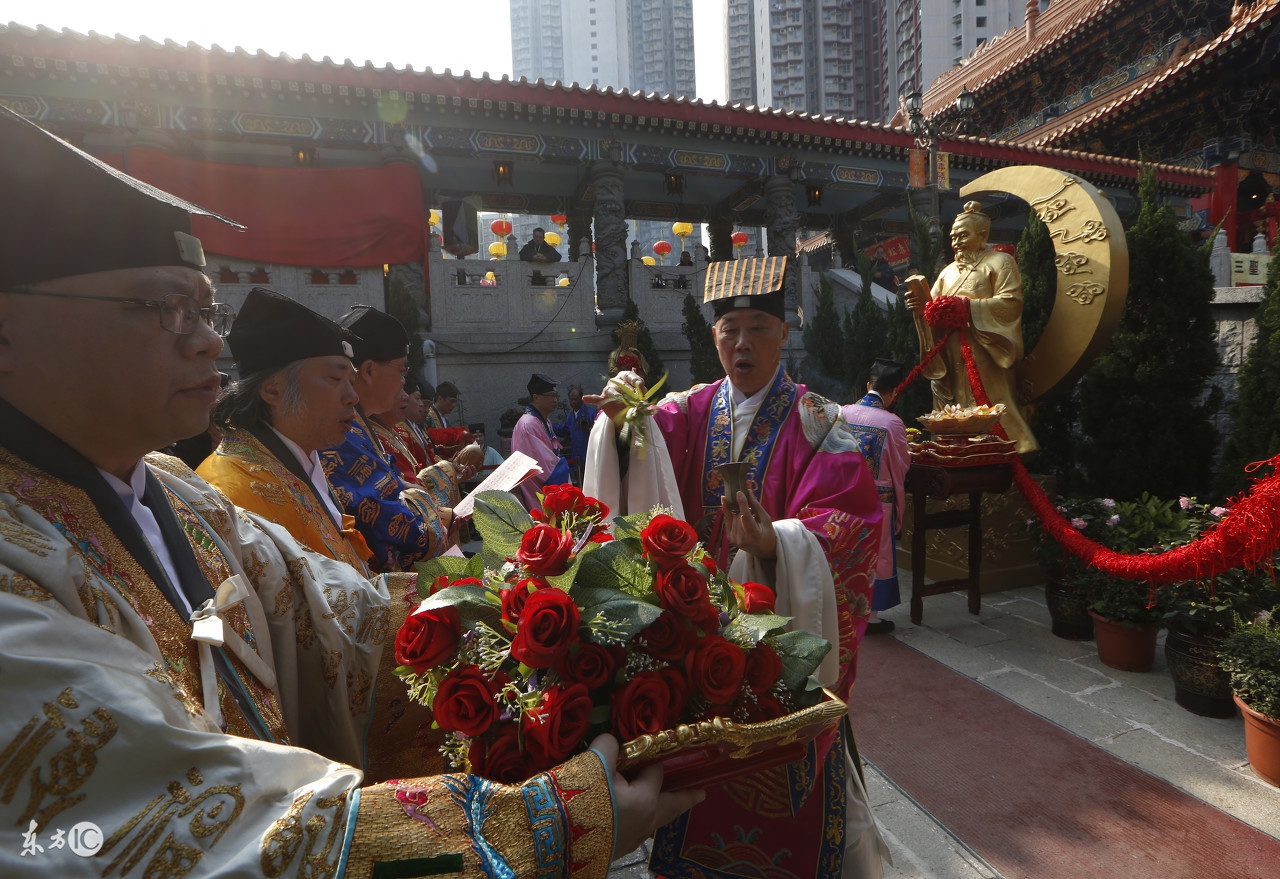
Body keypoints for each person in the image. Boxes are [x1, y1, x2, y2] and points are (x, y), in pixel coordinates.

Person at [0, 104, 699, 878]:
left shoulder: (171, 491)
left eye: (206, 308)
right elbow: (190, 829)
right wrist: (551, 820)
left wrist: (565, 614)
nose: (205, 339)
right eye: (161, 308)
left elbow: (344, 618)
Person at [584, 256, 888, 878]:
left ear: (785, 332)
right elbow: (634, 451)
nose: (742, 343)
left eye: (758, 327)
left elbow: (853, 523)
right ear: (714, 337)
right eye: (729, 330)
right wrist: (618, 422)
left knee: (793, 796)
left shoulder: (820, 422)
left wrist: (777, 545)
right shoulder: (688, 410)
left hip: (777, 640)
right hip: (696, 649)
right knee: (700, 794)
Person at [197, 286, 372, 572]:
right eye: (334, 378)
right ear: (273, 390)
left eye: (351, 382)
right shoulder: (230, 493)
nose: (352, 396)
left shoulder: (302, 458)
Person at [321, 306, 473, 571]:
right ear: (368, 371)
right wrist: (438, 519)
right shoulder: (340, 434)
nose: (404, 384)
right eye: (401, 371)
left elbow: (395, 485)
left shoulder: (361, 427)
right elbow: (379, 518)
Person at [903, 201, 1038, 454]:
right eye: (953, 237)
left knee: (990, 403)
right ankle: (953, 449)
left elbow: (1011, 303)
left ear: (983, 235)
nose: (956, 242)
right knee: (952, 407)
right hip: (951, 352)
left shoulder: (1001, 262)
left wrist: (967, 309)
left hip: (985, 349)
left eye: (963, 235)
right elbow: (932, 309)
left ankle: (1009, 449)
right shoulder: (948, 272)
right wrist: (920, 307)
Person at [841, 359, 911, 635]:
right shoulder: (892, 423)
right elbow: (901, 465)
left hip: (845, 496)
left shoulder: (843, 412)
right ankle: (870, 617)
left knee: (846, 550)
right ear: (893, 393)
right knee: (877, 555)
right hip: (877, 502)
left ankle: (844, 609)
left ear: (868, 386)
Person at [512, 372, 566, 512]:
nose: (555, 400)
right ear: (536, 397)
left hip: (542, 484)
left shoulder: (544, 420)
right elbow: (544, 465)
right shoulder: (528, 423)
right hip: (535, 486)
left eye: (556, 396)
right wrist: (563, 466)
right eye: (551, 396)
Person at [555, 384, 598, 485]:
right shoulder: (570, 416)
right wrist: (547, 424)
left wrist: (587, 428)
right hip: (576, 456)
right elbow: (563, 430)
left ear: (582, 399)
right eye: (571, 399)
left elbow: (599, 433)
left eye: (576, 399)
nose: (573, 402)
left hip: (589, 453)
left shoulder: (591, 413)